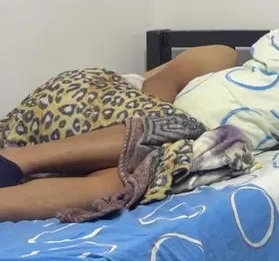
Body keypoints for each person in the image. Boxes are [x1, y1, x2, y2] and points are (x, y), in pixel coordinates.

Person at [0, 45, 239, 221]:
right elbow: (224, 52)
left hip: (31, 134)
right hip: (77, 98)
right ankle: (12, 160)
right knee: (179, 134)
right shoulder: (141, 83)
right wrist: (156, 109)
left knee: (129, 182)